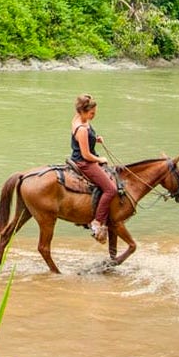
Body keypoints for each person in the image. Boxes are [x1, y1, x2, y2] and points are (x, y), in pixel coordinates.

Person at [70, 93, 117, 244]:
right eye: (91, 113)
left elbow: (83, 141)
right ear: (83, 111)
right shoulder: (82, 128)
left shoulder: (78, 118)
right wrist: (100, 159)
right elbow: (86, 154)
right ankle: (97, 222)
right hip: (85, 162)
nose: (93, 116)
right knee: (111, 189)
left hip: (83, 157)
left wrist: (94, 139)